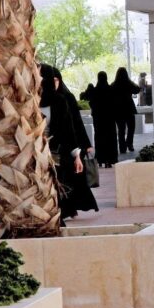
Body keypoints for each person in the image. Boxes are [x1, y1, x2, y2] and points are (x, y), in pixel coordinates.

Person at [39, 64, 84, 220]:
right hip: (35, 151)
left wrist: (77, 155)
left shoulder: (59, 100)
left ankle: (58, 214)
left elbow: (68, 129)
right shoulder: (29, 100)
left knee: (59, 182)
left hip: (56, 151)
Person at [55, 68, 98, 215]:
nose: (54, 83)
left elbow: (77, 122)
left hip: (72, 142)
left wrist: (86, 144)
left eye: (56, 80)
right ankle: (67, 209)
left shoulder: (67, 97)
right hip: (58, 144)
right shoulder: (44, 98)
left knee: (73, 176)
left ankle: (71, 207)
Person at [87, 74, 118, 168]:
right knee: (110, 138)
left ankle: (101, 159)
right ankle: (110, 159)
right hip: (109, 119)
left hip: (98, 119)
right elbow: (115, 103)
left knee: (99, 138)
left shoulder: (95, 91)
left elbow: (91, 102)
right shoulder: (111, 89)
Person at [110, 67, 140, 154]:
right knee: (131, 128)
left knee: (121, 130)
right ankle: (129, 144)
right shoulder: (129, 84)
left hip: (118, 110)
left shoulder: (113, 85)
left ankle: (122, 147)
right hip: (129, 109)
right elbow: (137, 89)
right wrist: (131, 81)